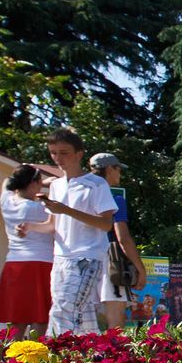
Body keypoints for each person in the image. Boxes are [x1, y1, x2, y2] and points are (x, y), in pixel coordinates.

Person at [40, 128, 117, 336]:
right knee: (81, 310)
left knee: (63, 307)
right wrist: (26, 227)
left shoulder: (96, 184)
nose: (57, 158)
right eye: (53, 152)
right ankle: (96, 354)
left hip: (87, 255)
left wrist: (65, 210)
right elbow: (53, 225)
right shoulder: (56, 185)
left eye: (64, 152)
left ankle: (54, 351)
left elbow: (106, 224)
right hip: (61, 257)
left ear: (79, 154)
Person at [0, 164, 54, 338]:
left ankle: (13, 359)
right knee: (41, 317)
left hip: (14, 264)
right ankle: (35, 353)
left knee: (17, 317)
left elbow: (6, 182)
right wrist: (49, 184)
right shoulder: (38, 207)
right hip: (41, 262)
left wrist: (39, 182)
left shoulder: (7, 201)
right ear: (34, 184)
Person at [90, 152, 147, 330]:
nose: (120, 174)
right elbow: (123, 238)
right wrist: (140, 268)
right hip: (108, 262)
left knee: (84, 324)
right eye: (118, 170)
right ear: (109, 169)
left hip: (81, 261)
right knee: (115, 326)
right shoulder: (114, 199)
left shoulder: (81, 197)